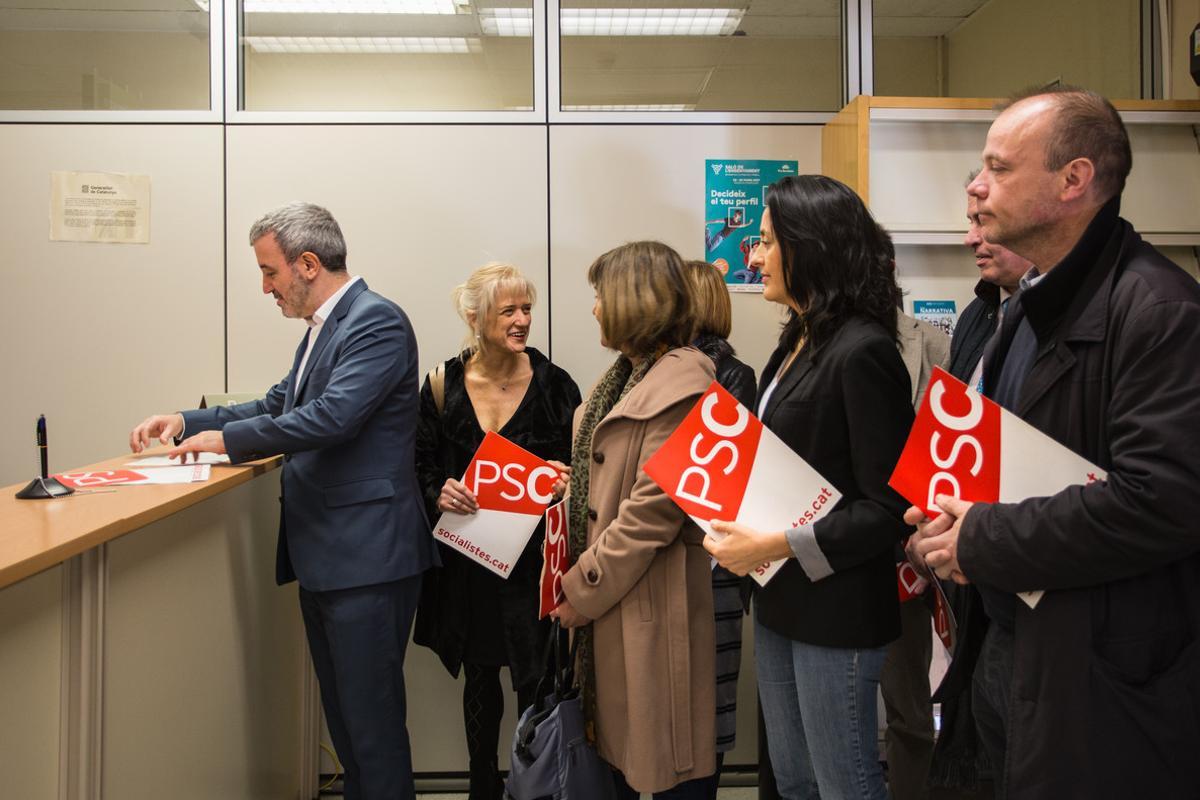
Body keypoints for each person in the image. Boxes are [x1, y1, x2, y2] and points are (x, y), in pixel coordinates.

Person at [908, 87, 1200, 799]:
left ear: (1073, 181)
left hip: (1099, 677)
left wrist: (982, 538)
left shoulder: (1160, 312)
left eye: (999, 169)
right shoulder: (1026, 311)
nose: (976, 189)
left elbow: (1161, 502)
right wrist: (947, 522)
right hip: (1010, 647)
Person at [129, 202, 437, 800]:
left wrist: (228, 440)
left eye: (270, 272)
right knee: (349, 728)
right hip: (331, 559)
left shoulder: (376, 321)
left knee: (371, 733)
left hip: (367, 561)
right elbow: (278, 404)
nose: (266, 287)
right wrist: (187, 419)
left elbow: (333, 417)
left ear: (308, 263)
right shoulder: (326, 328)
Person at [704, 175, 914, 800]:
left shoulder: (863, 351)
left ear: (810, 247)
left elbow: (887, 509)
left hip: (838, 608)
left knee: (843, 782)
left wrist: (774, 545)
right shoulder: (798, 339)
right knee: (793, 781)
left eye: (767, 242)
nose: (754, 254)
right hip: (778, 600)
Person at [549, 241, 718, 798]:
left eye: (600, 295)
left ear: (632, 300)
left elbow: (651, 514)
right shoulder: (624, 379)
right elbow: (610, 482)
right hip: (618, 608)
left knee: (666, 766)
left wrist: (581, 588)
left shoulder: (681, 387)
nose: (594, 307)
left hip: (646, 606)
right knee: (619, 764)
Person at [412, 263, 580, 800]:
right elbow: (416, 464)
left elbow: (584, 469)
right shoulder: (441, 384)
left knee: (538, 685)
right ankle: (481, 787)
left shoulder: (556, 386)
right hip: (470, 568)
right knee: (480, 684)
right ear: (475, 316)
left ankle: (538, 788)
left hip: (534, 569)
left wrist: (567, 482)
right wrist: (438, 489)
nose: (523, 320)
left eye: (527, 308)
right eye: (508, 310)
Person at [927, 182, 1032, 797]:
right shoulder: (978, 316)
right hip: (977, 589)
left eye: (986, 224)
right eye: (970, 221)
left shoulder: (1140, 310)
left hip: (1047, 592)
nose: (972, 239)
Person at [684, 259, 756, 794]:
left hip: (714, 560)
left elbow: (727, 479)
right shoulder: (659, 369)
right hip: (686, 557)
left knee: (709, 701)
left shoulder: (730, 375)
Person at [882, 303, 949, 800]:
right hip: (839, 549)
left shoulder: (930, 339)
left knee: (908, 702)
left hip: (909, 542)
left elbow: (947, 436)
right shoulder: (807, 342)